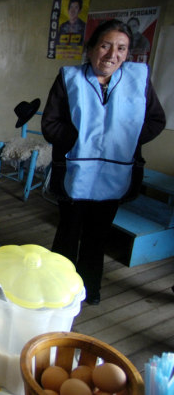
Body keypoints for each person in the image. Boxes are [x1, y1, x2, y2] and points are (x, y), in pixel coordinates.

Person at [42, 19, 166, 305]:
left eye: (121, 48)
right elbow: (51, 124)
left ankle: (90, 290)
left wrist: (126, 140)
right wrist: (80, 140)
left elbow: (156, 120)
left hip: (115, 173)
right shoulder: (69, 78)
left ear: (128, 53)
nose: (113, 55)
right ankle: (58, 291)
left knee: (97, 237)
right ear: (91, 48)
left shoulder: (137, 80)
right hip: (75, 170)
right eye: (105, 45)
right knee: (68, 234)